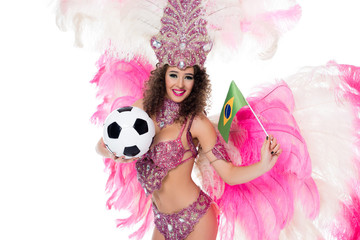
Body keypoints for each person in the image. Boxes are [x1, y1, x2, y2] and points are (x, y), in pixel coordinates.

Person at [95, 63, 282, 239]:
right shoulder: (141, 109)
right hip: (161, 219)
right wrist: (116, 155)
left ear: (197, 81)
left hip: (196, 219)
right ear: (163, 76)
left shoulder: (197, 124)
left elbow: (229, 174)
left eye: (188, 77)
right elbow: (102, 145)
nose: (180, 84)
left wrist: (263, 165)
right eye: (174, 75)